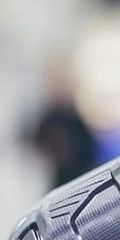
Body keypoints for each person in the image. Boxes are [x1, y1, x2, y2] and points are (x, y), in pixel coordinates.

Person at [28, 60, 100, 189]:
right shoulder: (47, 118)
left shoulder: (75, 117)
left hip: (80, 178)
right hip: (57, 181)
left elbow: (88, 151)